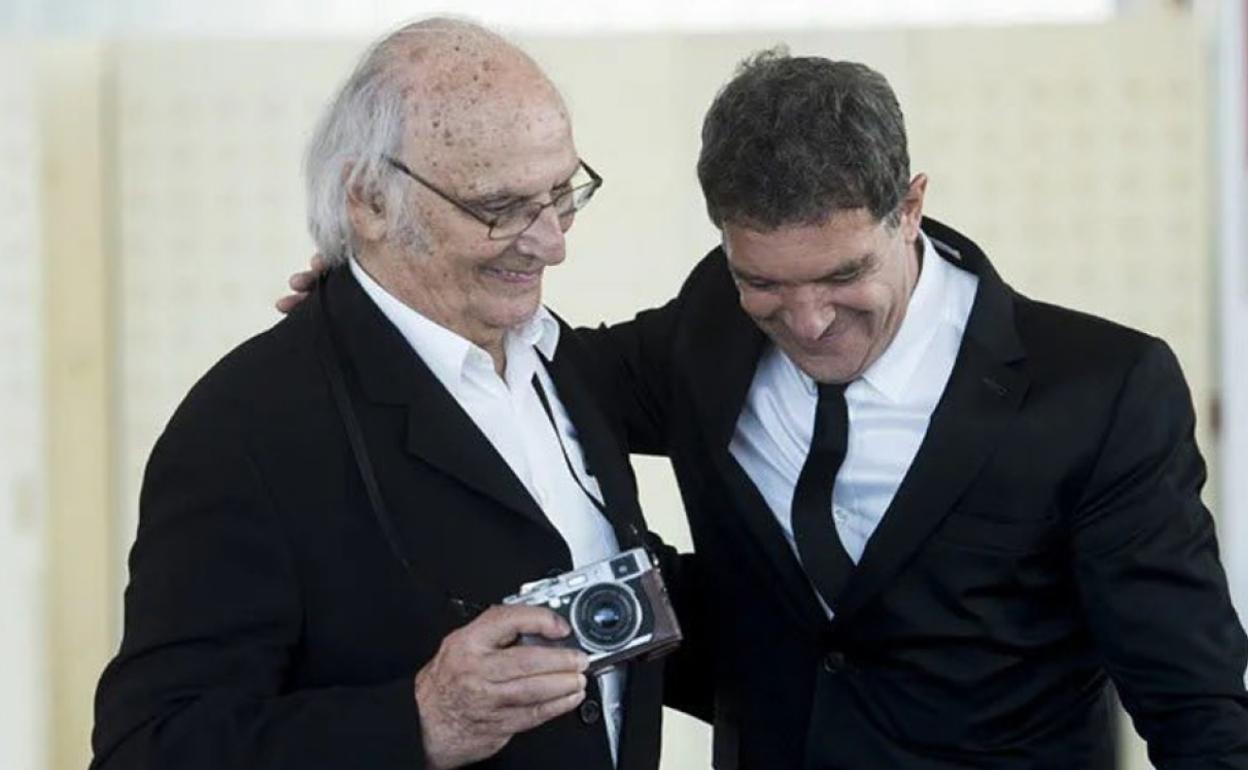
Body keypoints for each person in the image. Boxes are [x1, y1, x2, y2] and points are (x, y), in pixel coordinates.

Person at [281, 47, 1248, 770]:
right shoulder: (714, 323)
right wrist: (404, 285)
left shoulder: (1102, 390)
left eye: (842, 275)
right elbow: (553, 379)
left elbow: (1196, 702)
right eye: (766, 284)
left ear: (908, 208)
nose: (810, 321)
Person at [91, 19, 697, 770]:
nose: (552, 243)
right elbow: (147, 749)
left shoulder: (556, 359)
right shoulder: (243, 429)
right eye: (500, 208)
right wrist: (417, 722)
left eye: (562, 195)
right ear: (371, 198)